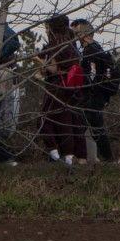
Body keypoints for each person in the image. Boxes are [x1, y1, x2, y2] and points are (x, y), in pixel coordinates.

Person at [35, 15, 85, 165]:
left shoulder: (55, 45)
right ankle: (69, 157)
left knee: (44, 120)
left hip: (57, 86)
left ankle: (54, 154)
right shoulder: (71, 44)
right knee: (66, 122)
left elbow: (54, 69)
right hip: (72, 88)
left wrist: (39, 61)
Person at [74, 20, 115, 162]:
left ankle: (105, 157)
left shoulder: (91, 50)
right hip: (96, 94)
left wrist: (87, 90)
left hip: (93, 95)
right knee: (94, 127)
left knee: (91, 127)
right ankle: (104, 157)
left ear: (85, 34)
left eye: (77, 33)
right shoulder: (96, 48)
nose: (76, 36)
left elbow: (92, 74)